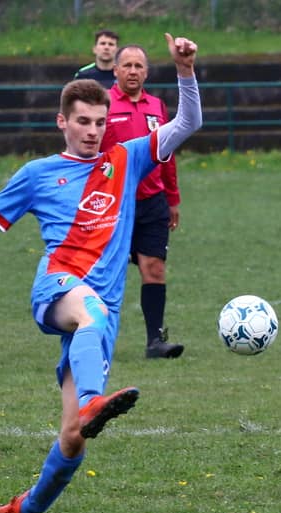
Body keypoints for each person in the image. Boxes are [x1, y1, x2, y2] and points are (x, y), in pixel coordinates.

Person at [0, 33, 203, 513]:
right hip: (58, 288)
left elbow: (188, 123)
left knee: (73, 436)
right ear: (62, 122)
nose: (93, 132)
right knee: (90, 316)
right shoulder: (38, 174)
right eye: (83, 122)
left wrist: (185, 70)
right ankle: (93, 401)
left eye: (99, 123)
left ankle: (24, 507)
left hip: (100, 314)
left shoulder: (127, 158)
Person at [102, 44, 184, 358]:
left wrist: (172, 197)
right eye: (127, 65)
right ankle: (94, 336)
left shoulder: (157, 106)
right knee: (106, 273)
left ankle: (155, 341)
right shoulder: (103, 104)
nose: (133, 71)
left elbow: (167, 152)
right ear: (116, 70)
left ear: (146, 72)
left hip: (152, 202)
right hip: (113, 203)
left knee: (154, 268)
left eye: (138, 66)